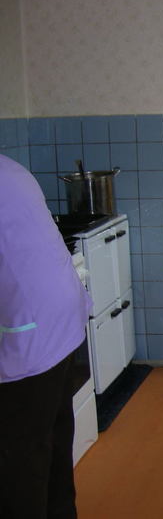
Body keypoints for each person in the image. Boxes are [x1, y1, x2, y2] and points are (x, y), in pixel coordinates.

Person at [0, 154, 92, 519]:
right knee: (53, 441)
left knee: (20, 463)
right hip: (61, 319)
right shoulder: (9, 167)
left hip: (31, 334)